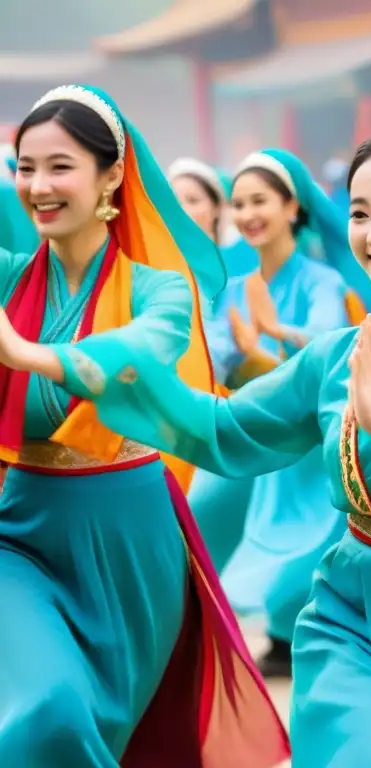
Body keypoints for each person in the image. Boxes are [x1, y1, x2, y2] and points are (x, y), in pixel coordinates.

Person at [4, 112, 371, 766]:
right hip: (354, 615)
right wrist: (91, 366)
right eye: (360, 213)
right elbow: (224, 430)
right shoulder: (335, 358)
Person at [0, 84, 287, 765]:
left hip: (131, 545)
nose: (37, 185)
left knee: (114, 735)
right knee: (48, 713)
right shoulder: (9, 281)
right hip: (22, 537)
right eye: (24, 167)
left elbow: (138, 357)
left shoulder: (160, 289)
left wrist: (32, 355)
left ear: (112, 174)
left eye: (58, 166)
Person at [189, 148, 367, 678]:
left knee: (301, 533)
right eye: (239, 203)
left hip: (306, 435)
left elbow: (327, 343)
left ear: (293, 207)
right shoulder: (238, 279)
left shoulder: (321, 279)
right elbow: (218, 349)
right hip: (251, 424)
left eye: (260, 200)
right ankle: (198, 627)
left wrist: (276, 335)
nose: (247, 213)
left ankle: (289, 635)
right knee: (200, 509)